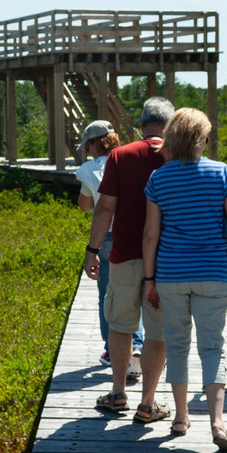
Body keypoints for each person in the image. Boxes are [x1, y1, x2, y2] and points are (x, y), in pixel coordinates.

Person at [142, 107, 227, 448]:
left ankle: (181, 417)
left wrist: (149, 279)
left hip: (172, 274)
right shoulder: (222, 174)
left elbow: (150, 235)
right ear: (201, 140)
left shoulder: (159, 178)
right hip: (214, 274)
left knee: (177, 345)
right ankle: (217, 424)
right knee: (212, 347)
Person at [83, 96, 174, 425]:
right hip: (165, 261)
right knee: (157, 331)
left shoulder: (120, 156)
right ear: (170, 124)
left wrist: (92, 250)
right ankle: (147, 403)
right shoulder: (178, 156)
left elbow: (105, 207)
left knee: (120, 325)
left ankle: (118, 392)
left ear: (141, 124)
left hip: (123, 256)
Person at [74, 120, 143, 370]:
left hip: (107, 237)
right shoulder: (130, 159)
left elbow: (85, 206)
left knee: (108, 293)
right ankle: (137, 344)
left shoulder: (89, 169)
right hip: (135, 233)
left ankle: (112, 351)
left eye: (88, 145)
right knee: (136, 290)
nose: (87, 150)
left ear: (96, 143)